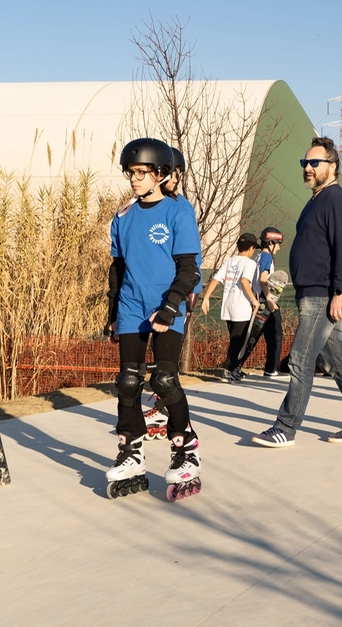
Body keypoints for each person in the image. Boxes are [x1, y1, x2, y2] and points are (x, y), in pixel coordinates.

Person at [252, 137, 342, 447]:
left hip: (323, 294)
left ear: (331, 167)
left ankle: (285, 427)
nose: (307, 168)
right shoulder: (316, 200)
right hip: (310, 292)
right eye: (304, 163)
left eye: (314, 163)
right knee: (337, 362)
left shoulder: (335, 199)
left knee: (299, 360)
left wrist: (341, 292)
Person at [104, 138, 204, 501]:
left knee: (163, 378)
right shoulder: (123, 216)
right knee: (128, 381)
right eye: (131, 172)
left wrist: (172, 305)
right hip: (131, 305)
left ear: (161, 174)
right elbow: (117, 269)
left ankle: (184, 448)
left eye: (142, 172)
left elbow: (190, 269)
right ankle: (131, 450)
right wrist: (112, 313)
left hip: (165, 305)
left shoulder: (179, 212)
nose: (134, 178)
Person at [200, 232, 260, 383]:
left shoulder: (230, 261)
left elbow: (216, 279)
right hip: (241, 307)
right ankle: (228, 370)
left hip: (228, 306)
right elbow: (245, 281)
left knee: (235, 339)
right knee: (238, 341)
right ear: (251, 248)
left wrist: (206, 297)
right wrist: (254, 300)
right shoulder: (250, 263)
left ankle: (233, 369)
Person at [249, 227, 286, 379]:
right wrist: (270, 299)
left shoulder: (257, 257)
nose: (279, 247)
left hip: (257, 299)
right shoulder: (266, 257)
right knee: (276, 334)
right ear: (270, 243)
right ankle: (271, 368)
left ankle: (236, 365)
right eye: (278, 244)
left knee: (253, 335)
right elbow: (263, 279)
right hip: (266, 301)